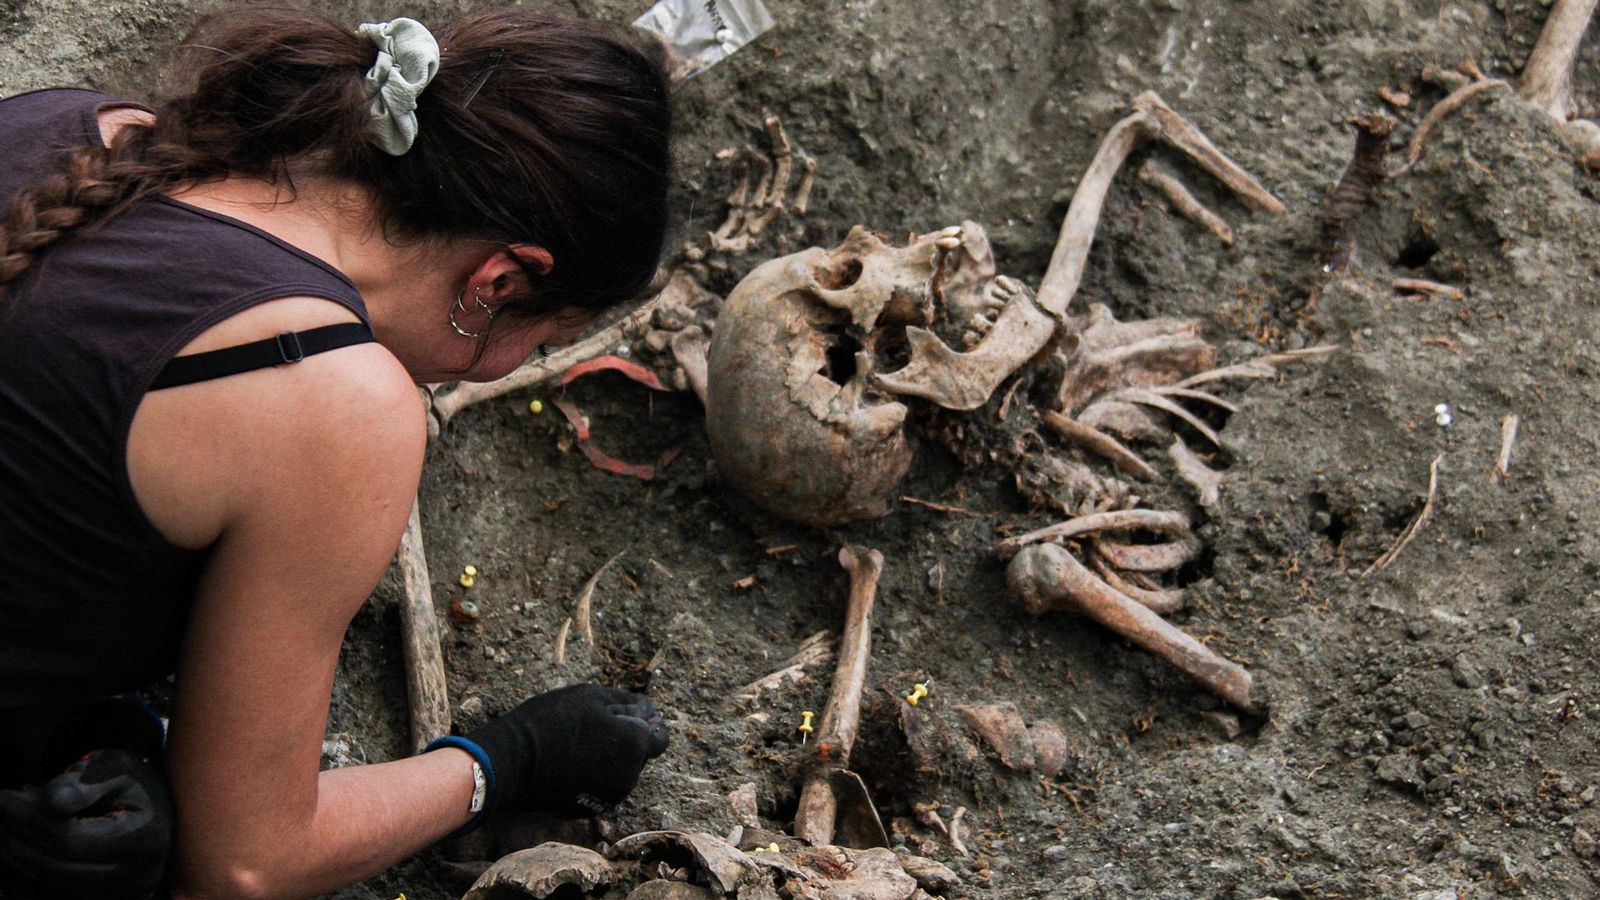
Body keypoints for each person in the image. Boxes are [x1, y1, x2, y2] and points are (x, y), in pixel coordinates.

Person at [0, 8, 674, 898]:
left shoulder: (73, 127)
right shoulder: (335, 398)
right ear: (499, 281)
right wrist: (507, 760)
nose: (523, 363)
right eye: (543, 343)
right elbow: (245, 863)